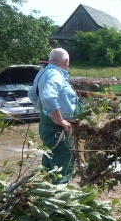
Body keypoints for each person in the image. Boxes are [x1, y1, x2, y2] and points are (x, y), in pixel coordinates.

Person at [28, 48, 82, 184]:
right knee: (63, 166)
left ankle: (45, 196)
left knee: (49, 162)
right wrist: (59, 120)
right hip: (58, 130)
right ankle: (57, 198)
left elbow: (32, 94)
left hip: (48, 126)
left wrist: (45, 112)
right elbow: (48, 96)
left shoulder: (43, 72)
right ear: (66, 61)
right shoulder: (55, 74)